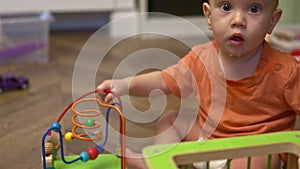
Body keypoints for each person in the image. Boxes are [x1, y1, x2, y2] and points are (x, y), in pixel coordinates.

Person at [97, 0, 300, 168]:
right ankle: (159, 163)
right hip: (207, 138)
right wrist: (124, 85)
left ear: (272, 22)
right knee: (171, 119)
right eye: (226, 7)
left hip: (256, 147)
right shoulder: (200, 58)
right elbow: (163, 80)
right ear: (209, 15)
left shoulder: (287, 70)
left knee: (259, 161)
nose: (238, 20)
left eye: (254, 9)